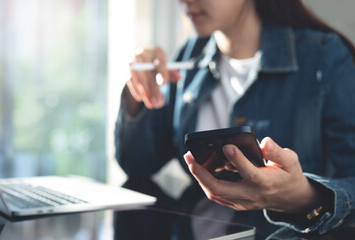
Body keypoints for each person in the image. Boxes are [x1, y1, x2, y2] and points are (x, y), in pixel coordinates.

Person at [115, 0, 355, 235]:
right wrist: (136, 93)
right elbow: (137, 165)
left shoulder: (323, 56)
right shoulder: (189, 57)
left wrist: (302, 197)